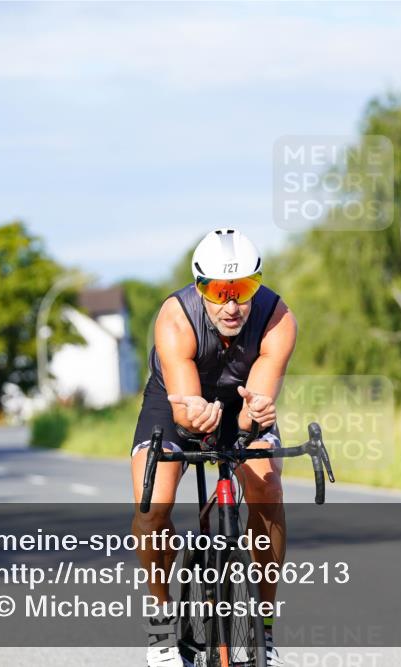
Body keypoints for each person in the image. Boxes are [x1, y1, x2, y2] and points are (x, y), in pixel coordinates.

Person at [131, 229, 296, 667]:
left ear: (257, 284)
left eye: (243, 289)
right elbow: (186, 413)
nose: (231, 305)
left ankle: (263, 627)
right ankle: (161, 619)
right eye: (219, 292)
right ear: (200, 286)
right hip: (177, 403)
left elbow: (251, 413)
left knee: (268, 488)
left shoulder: (278, 319)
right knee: (152, 506)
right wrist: (196, 418)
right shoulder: (176, 318)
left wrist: (250, 418)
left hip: (242, 403)